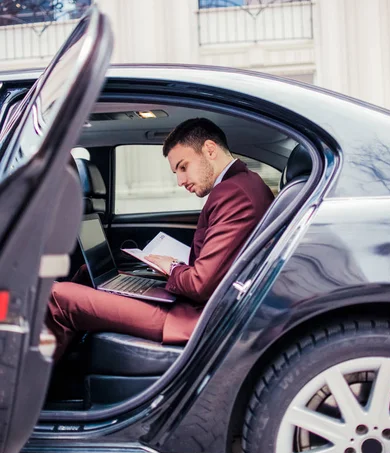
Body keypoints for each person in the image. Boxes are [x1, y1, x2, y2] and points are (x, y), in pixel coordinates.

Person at [47, 118, 274, 361]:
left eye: (183, 167)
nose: (180, 181)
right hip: (195, 306)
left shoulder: (233, 194)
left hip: (195, 316)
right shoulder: (245, 184)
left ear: (210, 149)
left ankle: (28, 389)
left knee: (58, 296)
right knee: (86, 274)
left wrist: (172, 267)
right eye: (177, 172)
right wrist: (170, 268)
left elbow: (201, 284)